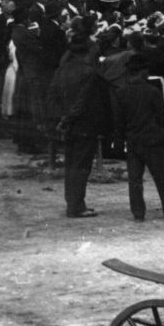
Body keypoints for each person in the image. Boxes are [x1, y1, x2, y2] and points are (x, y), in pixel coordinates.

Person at [111, 53, 164, 222]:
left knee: (134, 180)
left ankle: (138, 213)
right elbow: (163, 115)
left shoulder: (121, 92)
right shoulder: (152, 91)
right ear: (142, 72)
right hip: (152, 140)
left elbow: (118, 120)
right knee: (162, 178)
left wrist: (121, 139)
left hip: (133, 140)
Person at [49, 31, 108, 218]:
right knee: (82, 166)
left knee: (71, 164)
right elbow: (83, 101)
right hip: (84, 124)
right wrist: (70, 117)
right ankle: (76, 205)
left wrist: (61, 118)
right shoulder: (90, 73)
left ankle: (73, 203)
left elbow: (52, 96)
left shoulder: (61, 70)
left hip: (67, 125)